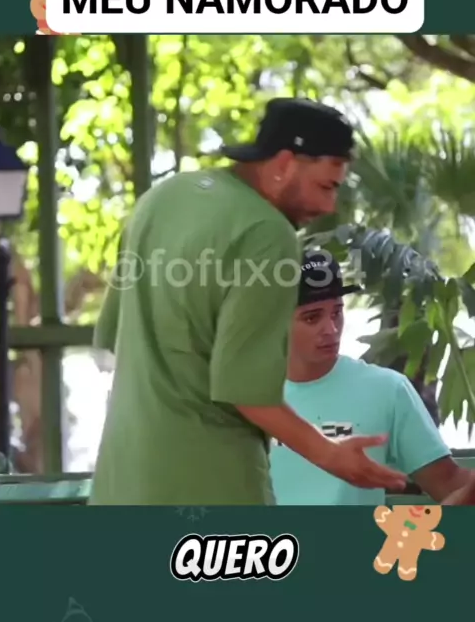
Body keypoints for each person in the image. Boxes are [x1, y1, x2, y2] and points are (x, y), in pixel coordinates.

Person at [89, 97, 407, 505]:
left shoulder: (162, 198)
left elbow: (107, 347)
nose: (328, 206)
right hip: (209, 490)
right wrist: (332, 455)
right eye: (325, 186)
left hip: (119, 485)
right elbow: (246, 391)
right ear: (284, 164)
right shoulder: (267, 233)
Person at [270, 250, 475, 505]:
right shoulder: (243, 396)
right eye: (312, 317)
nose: (331, 329)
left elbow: (450, 484)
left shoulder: (387, 390)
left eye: (336, 312)